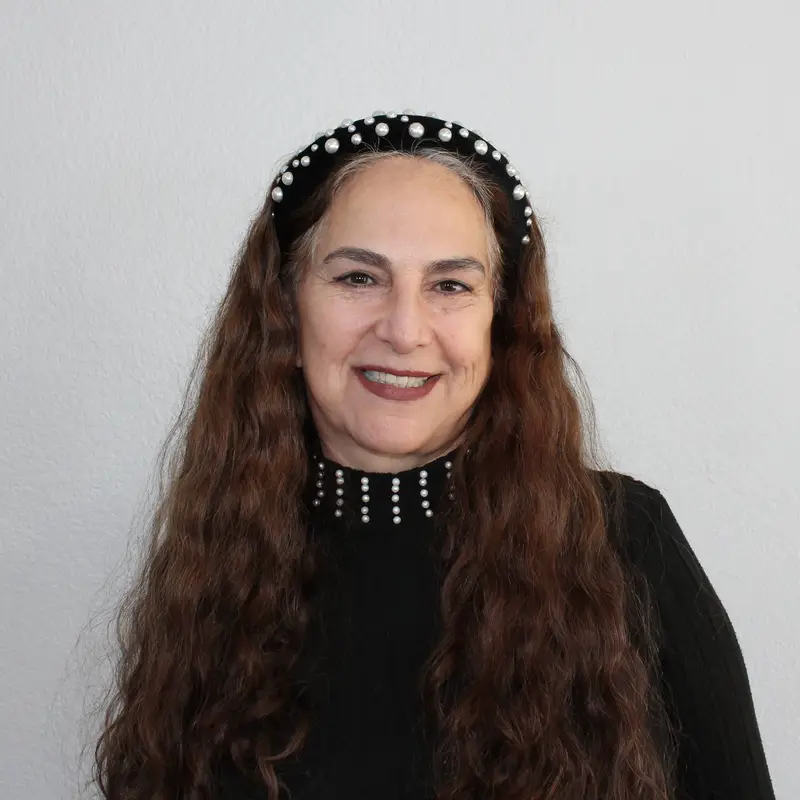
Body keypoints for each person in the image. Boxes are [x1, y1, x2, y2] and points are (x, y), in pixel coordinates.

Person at [91, 111, 776, 800]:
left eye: (450, 285)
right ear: (285, 315)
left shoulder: (625, 538)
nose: (404, 329)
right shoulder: (220, 563)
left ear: (499, 327)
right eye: (359, 278)